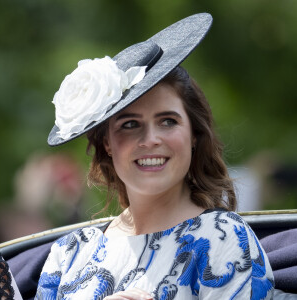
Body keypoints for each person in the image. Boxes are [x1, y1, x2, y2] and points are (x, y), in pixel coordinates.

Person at [35, 14, 274, 299]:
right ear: (107, 143)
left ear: (194, 135)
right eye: (130, 124)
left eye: (168, 121)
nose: (150, 140)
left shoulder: (223, 238)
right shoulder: (69, 254)